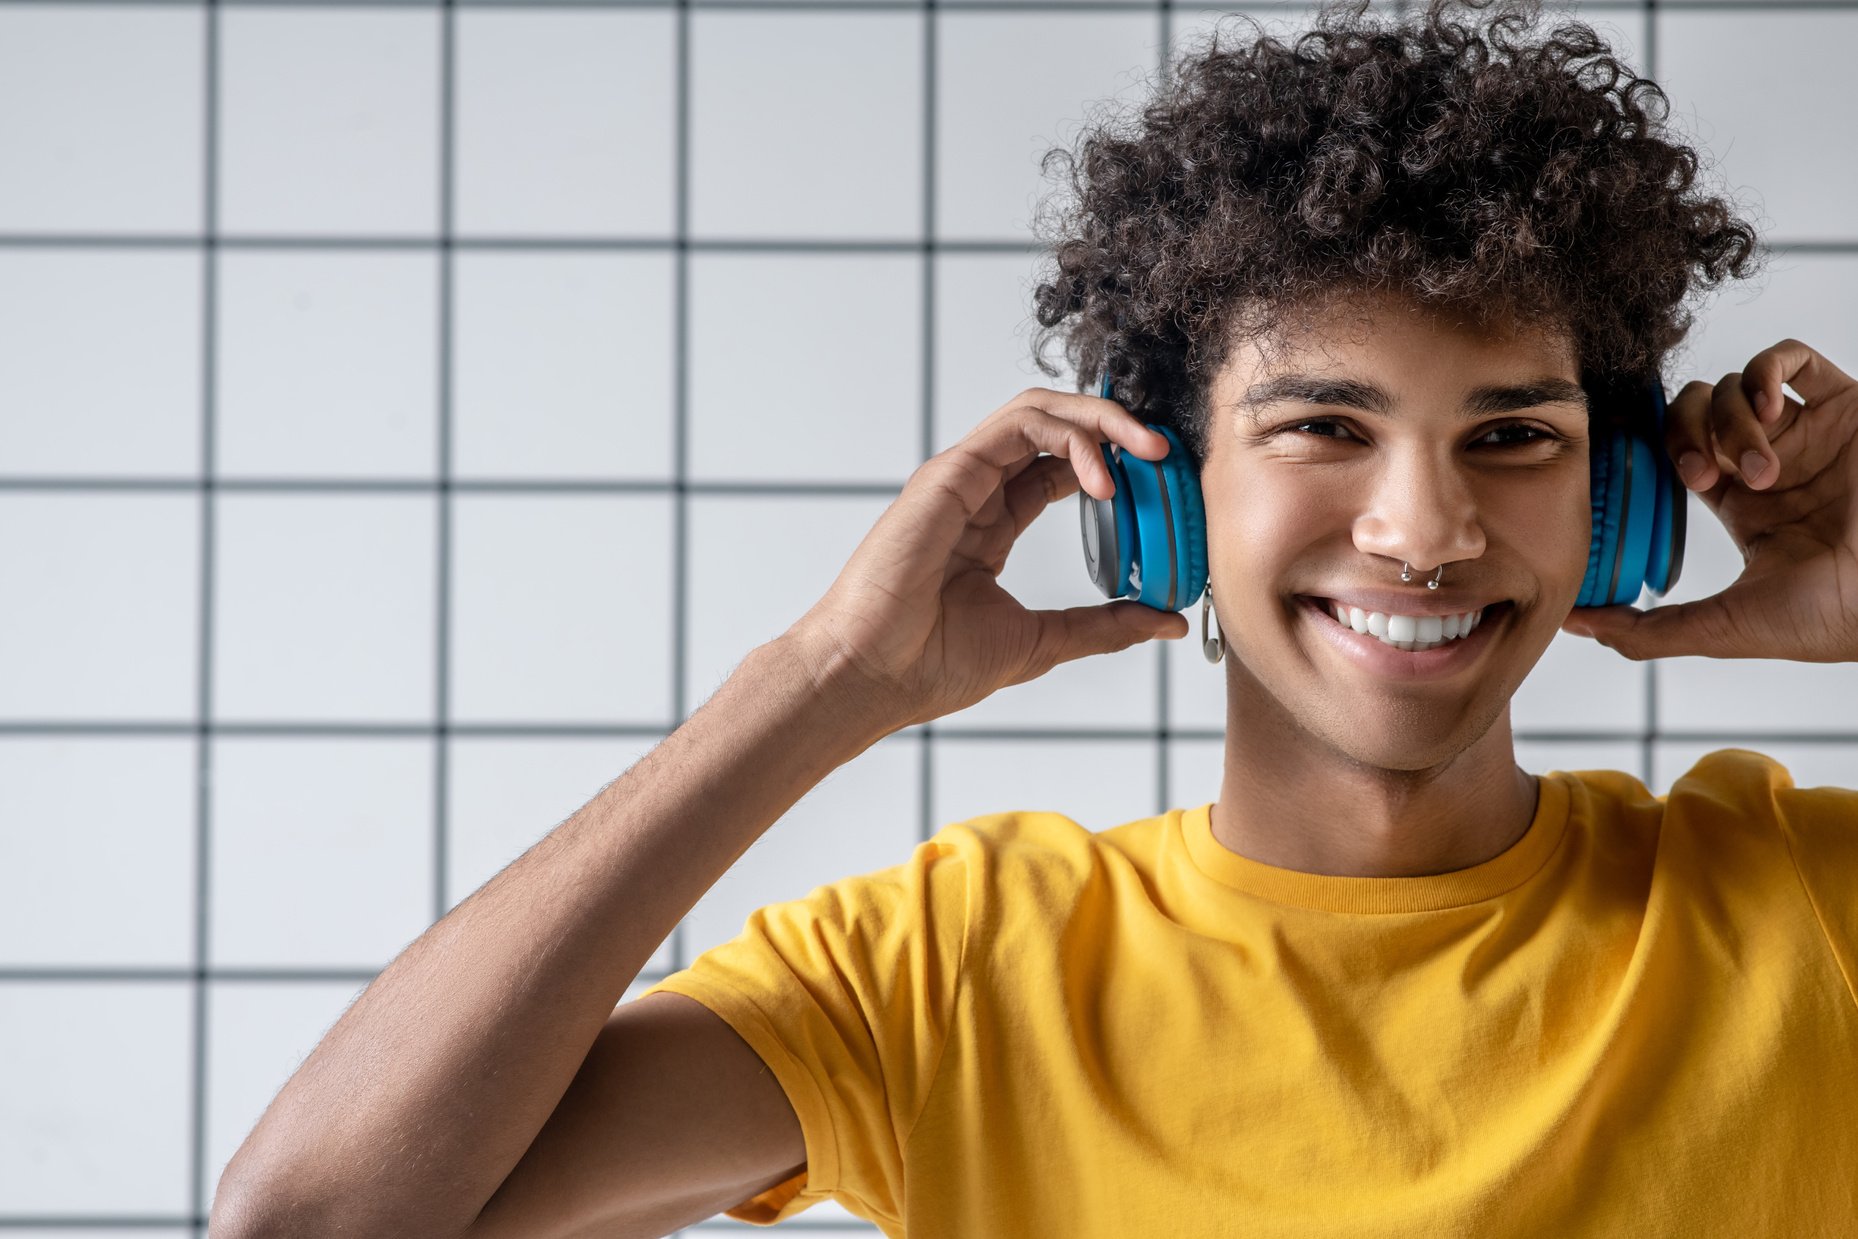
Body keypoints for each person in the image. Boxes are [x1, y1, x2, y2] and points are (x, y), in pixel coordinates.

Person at [210, 2, 1858, 1236]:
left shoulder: (1803, 908)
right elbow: (312, 1224)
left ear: (1621, 508)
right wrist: (818, 683)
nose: (1422, 531)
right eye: (1320, 428)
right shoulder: (953, 969)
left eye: (1512, 437)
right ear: (1155, 499)